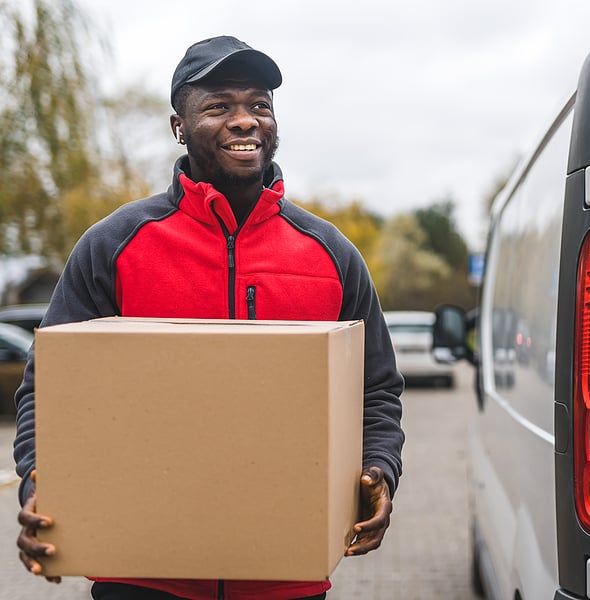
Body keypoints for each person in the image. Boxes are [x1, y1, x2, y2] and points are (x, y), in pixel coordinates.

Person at [13, 35, 404, 600]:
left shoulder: (330, 253)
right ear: (178, 125)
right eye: (220, 106)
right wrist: (38, 485)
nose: (245, 121)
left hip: (284, 577)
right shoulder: (114, 245)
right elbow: (47, 389)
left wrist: (380, 470)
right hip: (142, 575)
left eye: (259, 105)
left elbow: (377, 389)